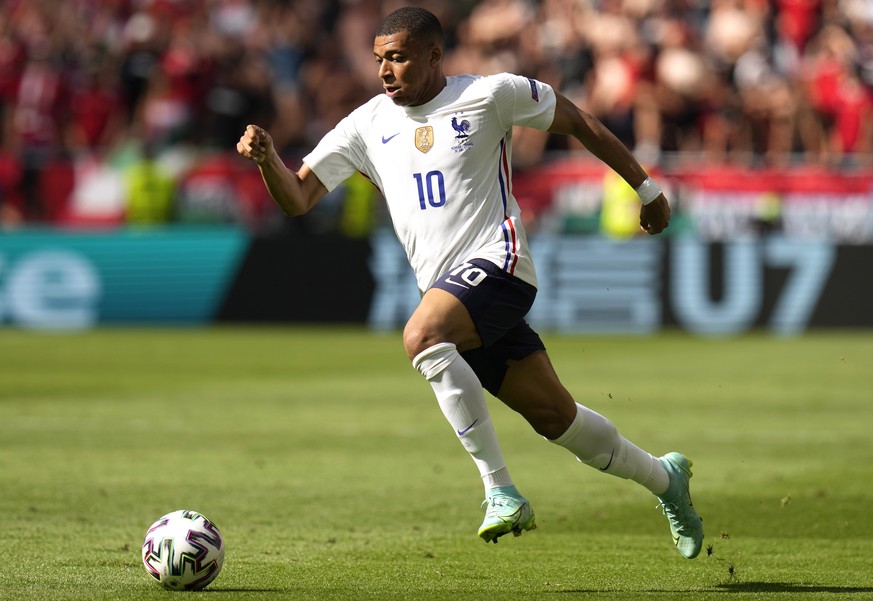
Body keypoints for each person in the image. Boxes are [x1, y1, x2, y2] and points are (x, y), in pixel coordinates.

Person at [237, 6, 704, 559]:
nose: (386, 70)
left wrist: (647, 192)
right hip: (451, 291)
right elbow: (298, 198)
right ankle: (665, 479)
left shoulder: (489, 96)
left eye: (400, 58)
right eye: (380, 59)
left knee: (421, 337)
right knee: (558, 418)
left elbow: (579, 121)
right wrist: (268, 161)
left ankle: (500, 490)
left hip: (499, 262)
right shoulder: (366, 125)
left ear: (434, 56)